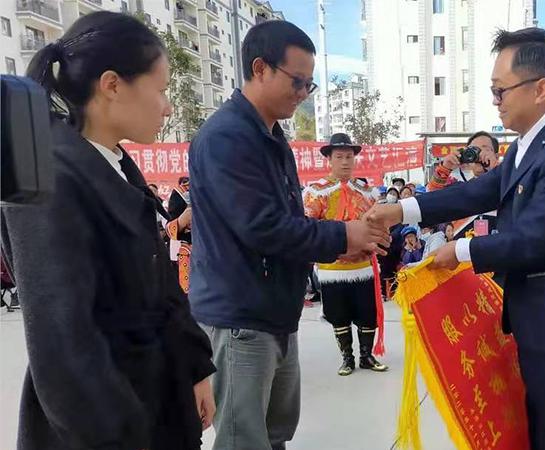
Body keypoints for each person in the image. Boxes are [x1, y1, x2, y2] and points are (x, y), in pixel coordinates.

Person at [367, 28, 545, 450]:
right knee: (538, 430)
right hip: (540, 319)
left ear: (540, 89)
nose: (496, 101)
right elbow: (478, 192)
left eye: (501, 91)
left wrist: (461, 251)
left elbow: (533, 240)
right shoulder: (528, 145)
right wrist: (401, 210)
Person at [1, 12, 216, 450]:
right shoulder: (51, 179)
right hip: (107, 422)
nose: (168, 107)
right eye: (161, 90)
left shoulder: (113, 163)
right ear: (113, 85)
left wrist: (195, 367)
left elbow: (160, 283)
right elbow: (63, 348)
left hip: (154, 393)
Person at [187, 21, 389, 450]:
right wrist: (344, 235)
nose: (302, 93)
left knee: (275, 434)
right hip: (240, 317)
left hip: (275, 311)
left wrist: (346, 237)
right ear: (260, 68)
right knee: (244, 440)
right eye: (297, 81)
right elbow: (263, 227)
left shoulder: (270, 136)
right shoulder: (227, 137)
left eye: (308, 85)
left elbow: (288, 220)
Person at [303, 132, 389, 376]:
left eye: (349, 156)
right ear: (329, 159)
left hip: (364, 265)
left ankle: (367, 356)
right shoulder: (316, 192)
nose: (344, 162)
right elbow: (309, 227)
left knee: (367, 313)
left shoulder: (367, 192)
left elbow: (378, 224)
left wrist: (374, 240)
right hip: (333, 268)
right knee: (339, 314)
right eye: (339, 156)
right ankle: (347, 357)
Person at [427, 131, 500, 190]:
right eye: (474, 150)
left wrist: (495, 169)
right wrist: (445, 168)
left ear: (496, 157)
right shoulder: (461, 187)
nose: (479, 154)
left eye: (485, 149)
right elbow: (431, 196)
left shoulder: (504, 183)